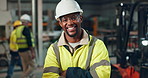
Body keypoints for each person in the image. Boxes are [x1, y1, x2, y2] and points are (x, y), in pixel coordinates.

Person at [42, 0, 111, 78]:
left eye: (73, 18)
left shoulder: (97, 45)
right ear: (60, 23)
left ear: (80, 19)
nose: (70, 23)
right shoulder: (54, 49)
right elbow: (48, 76)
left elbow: (102, 76)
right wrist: (87, 74)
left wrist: (70, 73)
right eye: (65, 20)